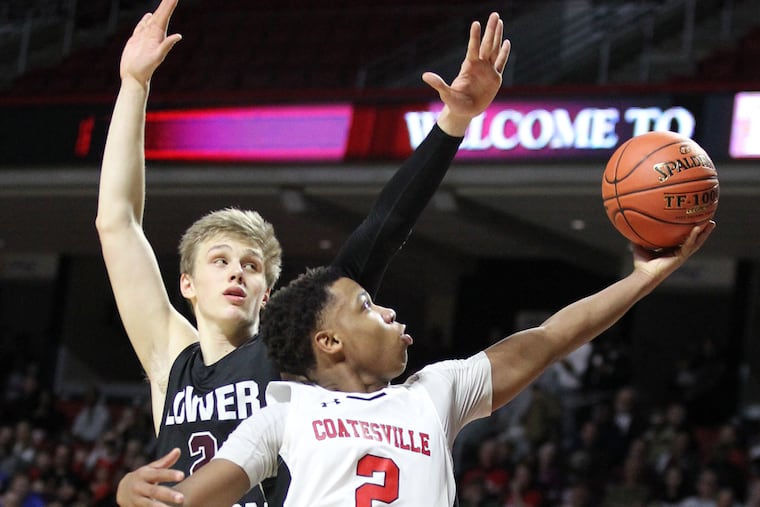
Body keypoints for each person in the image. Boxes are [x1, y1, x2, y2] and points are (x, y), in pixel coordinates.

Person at [98, 0, 511, 505]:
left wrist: (453, 124)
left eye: (252, 266)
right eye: (220, 260)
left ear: (267, 293)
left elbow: (383, 227)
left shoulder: (292, 355)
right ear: (187, 283)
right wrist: (133, 85)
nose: (238, 273)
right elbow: (116, 223)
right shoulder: (171, 362)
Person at [117, 225, 715, 504]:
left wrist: (642, 279)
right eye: (368, 307)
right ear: (329, 342)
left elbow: (552, 336)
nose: (391, 310)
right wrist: (127, 494)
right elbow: (185, 501)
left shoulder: (435, 391)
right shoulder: (282, 413)